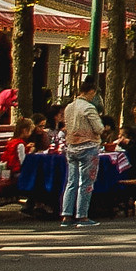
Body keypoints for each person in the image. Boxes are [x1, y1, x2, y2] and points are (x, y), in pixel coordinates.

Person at [60, 75, 106, 228]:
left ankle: (66, 214)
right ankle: (82, 215)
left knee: (71, 182)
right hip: (88, 146)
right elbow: (99, 128)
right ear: (91, 91)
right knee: (86, 182)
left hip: (72, 147)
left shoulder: (69, 107)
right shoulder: (88, 108)